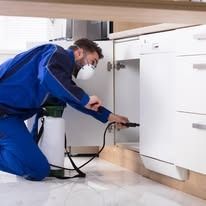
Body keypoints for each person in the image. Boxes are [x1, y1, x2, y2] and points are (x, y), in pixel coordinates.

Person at [0, 38, 129, 181]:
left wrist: (110, 117)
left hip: (9, 117)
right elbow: (49, 75)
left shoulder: (60, 79)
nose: (92, 68)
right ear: (79, 53)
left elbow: (75, 100)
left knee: (36, 167)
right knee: (38, 170)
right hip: (3, 115)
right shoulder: (55, 53)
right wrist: (85, 99)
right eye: (93, 62)